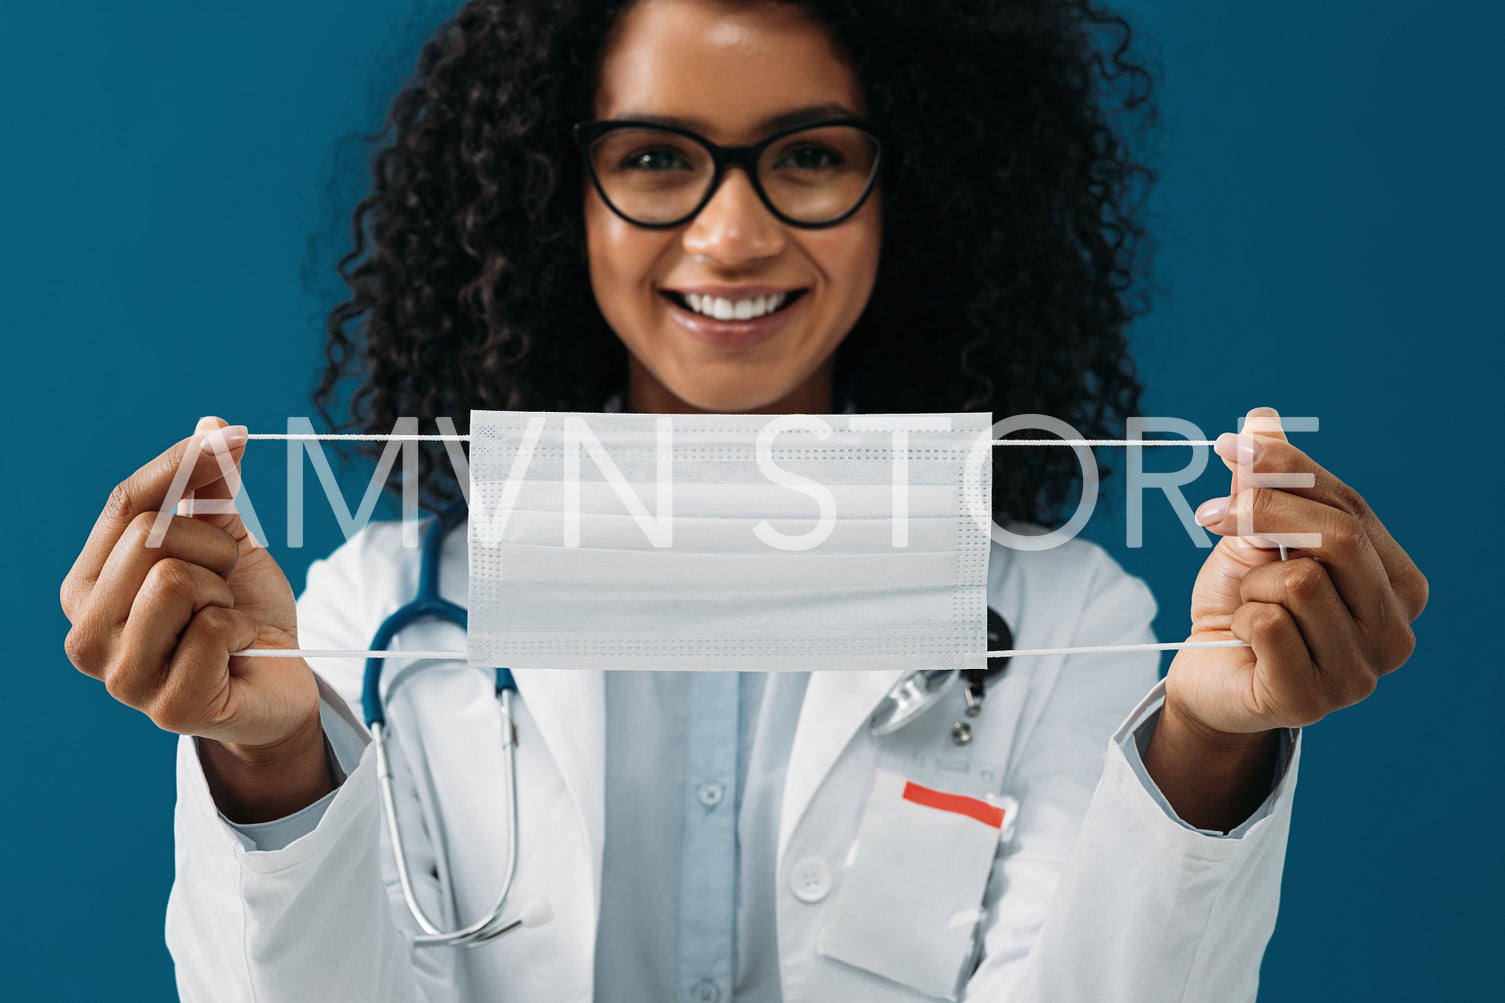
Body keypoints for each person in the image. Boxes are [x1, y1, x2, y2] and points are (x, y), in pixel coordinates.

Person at [60, 0, 1427, 1000]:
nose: (730, 233)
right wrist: (266, 756)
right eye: (656, 157)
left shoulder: (1067, 612)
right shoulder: (381, 614)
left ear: (913, 197)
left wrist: (1203, 744)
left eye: (809, 155)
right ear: (563, 201)